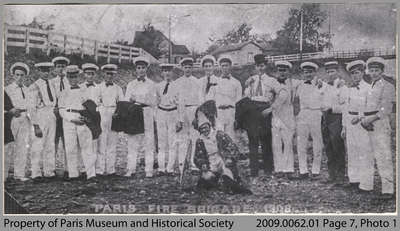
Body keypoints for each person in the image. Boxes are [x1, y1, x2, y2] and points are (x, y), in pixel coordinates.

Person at [192, 100, 252, 195]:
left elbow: (233, 149)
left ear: (209, 126)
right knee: (205, 180)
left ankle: (233, 186)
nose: (204, 130)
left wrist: (229, 158)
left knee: (227, 178)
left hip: (222, 161)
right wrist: (202, 164)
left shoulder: (220, 135)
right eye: (202, 129)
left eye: (206, 127)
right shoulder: (200, 141)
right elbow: (197, 157)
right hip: (211, 163)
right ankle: (214, 183)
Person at [357, 57, 395, 199]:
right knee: (367, 154)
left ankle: (388, 189)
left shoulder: (388, 86)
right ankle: (366, 185)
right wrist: (362, 119)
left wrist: (370, 119)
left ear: (382, 71)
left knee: (383, 155)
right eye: (371, 70)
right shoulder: (369, 86)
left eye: (376, 70)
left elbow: (386, 109)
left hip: (379, 122)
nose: (373, 73)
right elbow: (364, 105)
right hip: (367, 123)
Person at [58, 65, 96, 181]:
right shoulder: (63, 92)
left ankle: (91, 174)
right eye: (70, 77)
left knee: (87, 147)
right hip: (69, 120)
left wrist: (85, 118)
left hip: (82, 119)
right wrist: (70, 119)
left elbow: (90, 106)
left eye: (75, 77)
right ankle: (73, 174)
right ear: (67, 78)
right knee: (71, 147)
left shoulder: (84, 90)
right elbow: (61, 109)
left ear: (78, 77)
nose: (73, 79)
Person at [243, 54, 274, 179]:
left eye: (262, 66)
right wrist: (247, 86)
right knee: (253, 139)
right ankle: (254, 169)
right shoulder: (251, 80)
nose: (260, 68)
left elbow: (275, 94)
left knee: (266, 138)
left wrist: (270, 107)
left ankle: (268, 168)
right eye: (257, 66)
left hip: (265, 108)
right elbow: (246, 96)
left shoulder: (271, 80)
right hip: (253, 109)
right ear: (255, 67)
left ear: (265, 66)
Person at [124, 57, 157, 178]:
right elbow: (127, 100)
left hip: (147, 112)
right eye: (139, 68)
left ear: (146, 69)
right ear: (135, 69)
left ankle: (149, 170)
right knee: (133, 141)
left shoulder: (152, 84)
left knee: (149, 141)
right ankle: (130, 169)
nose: (141, 70)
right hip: (134, 113)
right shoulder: (131, 84)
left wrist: (137, 99)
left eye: (143, 68)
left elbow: (153, 102)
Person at [340, 60, 370, 189]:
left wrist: (359, 117)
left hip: (362, 123)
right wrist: (344, 127)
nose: (355, 76)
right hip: (350, 122)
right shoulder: (349, 89)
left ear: (363, 73)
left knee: (364, 152)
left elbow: (370, 107)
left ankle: (365, 183)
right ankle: (354, 180)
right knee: (352, 151)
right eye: (352, 73)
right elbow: (345, 109)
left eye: (357, 73)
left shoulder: (368, 88)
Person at [269, 61, 298, 178]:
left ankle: (289, 168)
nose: (282, 73)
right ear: (277, 71)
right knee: (276, 144)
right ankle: (279, 168)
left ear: (288, 71)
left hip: (287, 115)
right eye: (280, 70)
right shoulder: (273, 83)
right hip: (276, 116)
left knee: (288, 143)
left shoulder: (294, 83)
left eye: (284, 70)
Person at [295, 61, 324, 179]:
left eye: (310, 72)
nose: (308, 74)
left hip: (316, 113)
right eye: (306, 72)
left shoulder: (321, 84)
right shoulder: (299, 85)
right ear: (303, 73)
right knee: (301, 143)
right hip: (303, 113)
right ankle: (303, 170)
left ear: (314, 72)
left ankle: (316, 170)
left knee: (318, 142)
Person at [4, 62, 32, 181]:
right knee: (8, 146)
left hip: (25, 118)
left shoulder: (28, 90)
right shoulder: (7, 89)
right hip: (12, 119)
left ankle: (19, 174)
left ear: (25, 76)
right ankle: (3, 175)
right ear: (13, 76)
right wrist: (10, 111)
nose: (19, 77)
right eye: (17, 75)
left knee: (22, 146)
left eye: (22, 75)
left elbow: (31, 105)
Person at [30, 62, 57, 182]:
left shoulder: (51, 84)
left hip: (51, 114)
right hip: (40, 115)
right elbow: (31, 108)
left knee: (50, 144)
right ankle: (35, 172)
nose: (46, 73)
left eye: (47, 70)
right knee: (38, 145)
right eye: (43, 70)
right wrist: (35, 125)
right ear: (38, 71)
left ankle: (49, 171)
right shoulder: (34, 86)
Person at [320, 60, 346, 185]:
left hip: (336, 117)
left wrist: (331, 108)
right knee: (328, 146)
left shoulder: (342, 86)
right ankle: (332, 174)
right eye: (328, 71)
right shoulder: (325, 86)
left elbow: (345, 106)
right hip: (325, 118)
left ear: (338, 71)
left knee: (337, 146)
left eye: (333, 71)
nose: (331, 74)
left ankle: (341, 175)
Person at [174, 57, 202, 175]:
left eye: (190, 67)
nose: (187, 69)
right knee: (183, 138)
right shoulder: (177, 82)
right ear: (182, 68)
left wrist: (198, 116)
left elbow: (201, 99)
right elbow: (175, 100)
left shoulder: (197, 81)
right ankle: (182, 163)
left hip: (194, 109)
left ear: (192, 68)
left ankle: (193, 163)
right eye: (185, 67)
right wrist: (178, 118)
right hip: (182, 110)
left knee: (195, 137)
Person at [97, 64, 124, 177]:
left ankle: (111, 169)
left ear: (114, 75)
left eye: (111, 74)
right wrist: (100, 111)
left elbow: (121, 103)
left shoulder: (118, 88)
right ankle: (100, 169)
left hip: (114, 114)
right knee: (101, 142)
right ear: (104, 74)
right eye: (107, 73)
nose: (109, 76)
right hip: (102, 113)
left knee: (112, 143)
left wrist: (118, 112)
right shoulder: (98, 87)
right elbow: (96, 102)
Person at [156, 63, 180, 176]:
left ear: (172, 72)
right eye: (165, 71)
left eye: (169, 71)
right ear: (162, 73)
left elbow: (181, 103)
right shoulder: (158, 86)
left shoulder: (177, 86)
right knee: (161, 142)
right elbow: (155, 102)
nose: (167, 73)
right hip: (161, 112)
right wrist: (156, 117)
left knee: (172, 142)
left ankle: (170, 168)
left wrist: (179, 119)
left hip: (173, 113)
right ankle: (161, 168)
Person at [215, 55, 242, 141]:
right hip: (219, 113)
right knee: (219, 137)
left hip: (231, 112)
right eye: (222, 65)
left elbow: (239, 101)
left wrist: (237, 117)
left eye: (226, 65)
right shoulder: (215, 82)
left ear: (230, 66)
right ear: (220, 67)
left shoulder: (236, 83)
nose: (224, 68)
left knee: (231, 138)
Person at [51, 56, 70, 176]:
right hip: (55, 115)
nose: (61, 69)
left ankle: (69, 168)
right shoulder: (52, 82)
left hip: (67, 115)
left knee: (68, 141)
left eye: (63, 66)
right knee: (53, 141)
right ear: (55, 69)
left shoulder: (70, 81)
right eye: (58, 66)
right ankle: (51, 168)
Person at [80, 63, 101, 167]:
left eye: (92, 74)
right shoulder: (79, 88)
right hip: (85, 117)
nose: (90, 76)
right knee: (84, 142)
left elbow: (101, 102)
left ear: (95, 75)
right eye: (88, 74)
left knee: (95, 142)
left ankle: (94, 167)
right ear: (84, 74)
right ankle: (84, 167)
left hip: (96, 117)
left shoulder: (99, 87)